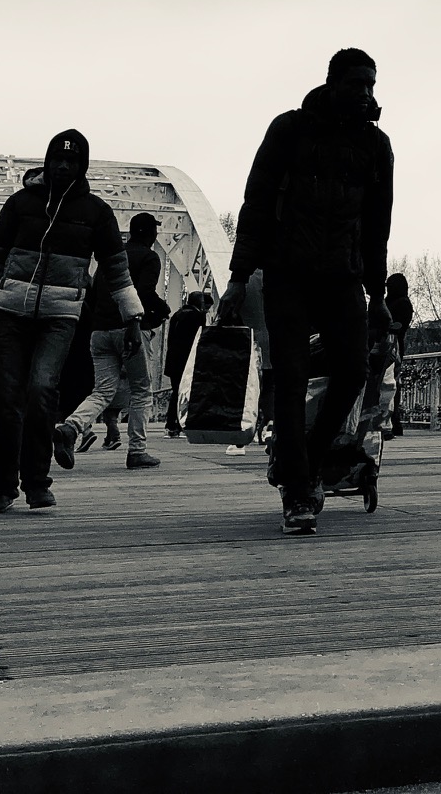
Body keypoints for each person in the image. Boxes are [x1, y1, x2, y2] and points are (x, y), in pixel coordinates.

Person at [219, 49, 393, 536]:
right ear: (332, 83)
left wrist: (376, 293)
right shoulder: (290, 130)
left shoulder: (376, 146)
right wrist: (237, 278)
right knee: (292, 382)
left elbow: (378, 226)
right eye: (357, 84)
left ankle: (307, 463)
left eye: (372, 85)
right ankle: (298, 491)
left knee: (354, 372)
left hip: (342, 277)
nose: (367, 94)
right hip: (287, 274)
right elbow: (255, 205)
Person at [0, 130, 144, 514]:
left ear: (82, 165)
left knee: (40, 391)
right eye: (58, 159)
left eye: (72, 161)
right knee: (7, 399)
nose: (64, 166)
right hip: (10, 314)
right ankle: (3, 487)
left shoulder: (96, 213)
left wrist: (132, 319)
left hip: (59, 316)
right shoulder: (19, 205)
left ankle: (36, 482)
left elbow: (117, 272)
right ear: (48, 161)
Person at [54, 212, 171, 471]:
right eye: (154, 231)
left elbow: (92, 297)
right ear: (149, 233)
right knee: (141, 390)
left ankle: (71, 427)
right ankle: (137, 451)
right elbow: (142, 293)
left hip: (99, 332)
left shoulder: (110, 260)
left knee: (103, 391)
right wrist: (162, 309)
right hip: (129, 329)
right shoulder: (149, 257)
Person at [162, 292, 208, 437]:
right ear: (199, 302)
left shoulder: (177, 314)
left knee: (176, 391)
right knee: (188, 392)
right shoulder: (198, 316)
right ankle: (184, 424)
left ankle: (171, 425)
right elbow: (200, 339)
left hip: (173, 360)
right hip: (188, 360)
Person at [384, 271, 414, 437]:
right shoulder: (402, 303)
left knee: (390, 382)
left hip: (392, 346)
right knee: (392, 382)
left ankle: (392, 420)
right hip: (395, 345)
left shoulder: (398, 303)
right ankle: (393, 420)